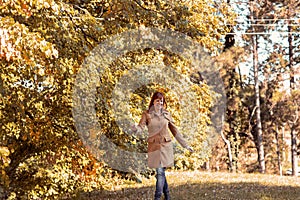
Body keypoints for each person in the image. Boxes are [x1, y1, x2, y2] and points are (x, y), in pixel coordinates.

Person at [132, 91, 193, 200]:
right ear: (153, 101)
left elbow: (175, 131)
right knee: (161, 172)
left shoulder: (167, 114)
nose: (160, 102)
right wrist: (136, 129)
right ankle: (168, 196)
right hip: (154, 147)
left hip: (166, 147)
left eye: (161, 100)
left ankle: (157, 197)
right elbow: (140, 127)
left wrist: (186, 145)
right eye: (157, 100)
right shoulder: (147, 114)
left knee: (160, 172)